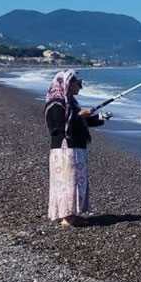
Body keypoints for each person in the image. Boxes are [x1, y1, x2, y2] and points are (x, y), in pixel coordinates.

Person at [44, 69, 105, 227]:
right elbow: (58, 127)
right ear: (67, 83)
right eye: (79, 84)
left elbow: (80, 122)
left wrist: (100, 118)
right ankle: (66, 217)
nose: (81, 87)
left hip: (75, 147)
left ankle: (70, 213)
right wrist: (79, 116)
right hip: (65, 150)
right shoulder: (56, 102)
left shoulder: (69, 101)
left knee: (75, 181)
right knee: (67, 181)